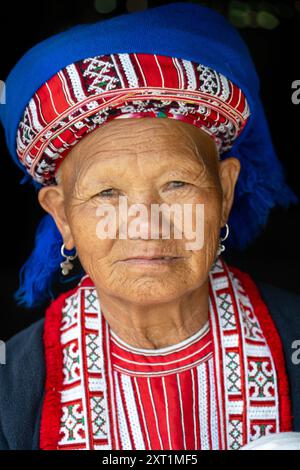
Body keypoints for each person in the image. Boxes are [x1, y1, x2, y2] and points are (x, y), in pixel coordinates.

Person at [0, 2, 299, 451]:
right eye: (107, 194)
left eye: (177, 183)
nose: (146, 223)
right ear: (63, 216)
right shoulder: (15, 386)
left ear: (225, 191)